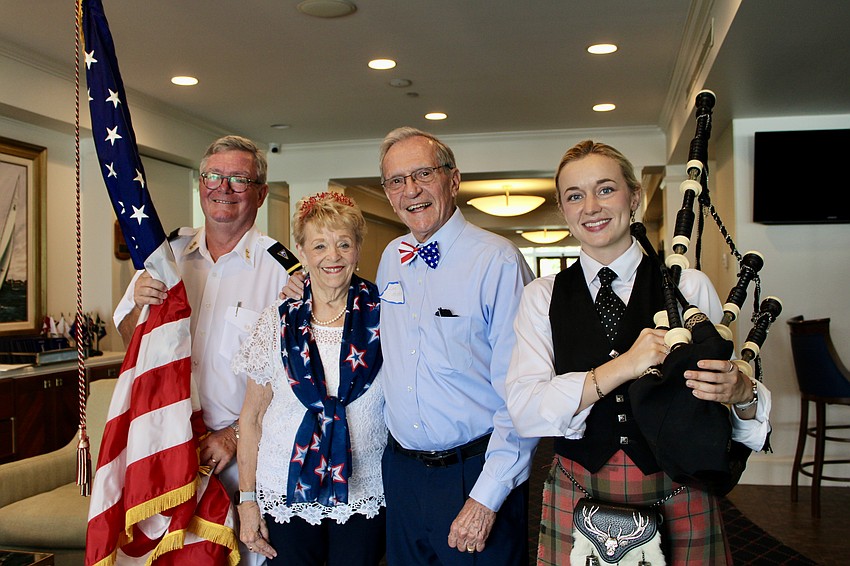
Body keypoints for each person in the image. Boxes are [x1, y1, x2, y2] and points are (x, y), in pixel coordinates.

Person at [504, 140, 772, 565]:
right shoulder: (541, 296)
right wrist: (624, 366)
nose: (590, 206)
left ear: (635, 197)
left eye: (605, 189)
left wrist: (742, 393)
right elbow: (525, 410)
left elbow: (720, 409)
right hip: (578, 491)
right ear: (563, 209)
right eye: (575, 195)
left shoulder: (690, 288)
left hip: (677, 488)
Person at [113, 135, 301, 566]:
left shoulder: (282, 271)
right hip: (166, 445)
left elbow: (295, 381)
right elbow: (130, 346)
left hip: (242, 459)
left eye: (239, 179)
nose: (224, 188)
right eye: (214, 176)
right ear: (200, 183)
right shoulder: (166, 256)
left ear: (261, 193)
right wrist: (140, 307)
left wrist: (234, 435)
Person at [377, 127, 536, 565]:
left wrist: (486, 497)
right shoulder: (391, 256)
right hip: (403, 472)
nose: (411, 190)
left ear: (453, 179)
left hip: (475, 471)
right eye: (397, 180)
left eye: (423, 173)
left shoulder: (497, 261)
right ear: (388, 193)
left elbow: (522, 394)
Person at [232, 192, 386, 565]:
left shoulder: (386, 316)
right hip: (284, 489)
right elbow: (250, 419)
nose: (332, 256)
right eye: (319, 245)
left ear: (358, 250)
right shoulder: (277, 320)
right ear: (301, 252)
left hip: (364, 489)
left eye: (343, 244)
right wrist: (248, 502)